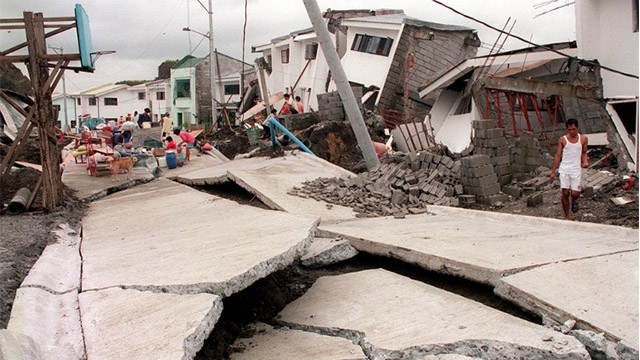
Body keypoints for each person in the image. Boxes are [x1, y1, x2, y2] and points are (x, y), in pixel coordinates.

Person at [550, 118, 588, 220]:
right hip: (564, 168)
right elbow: (558, 156)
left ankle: (574, 201)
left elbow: (584, 153)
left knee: (575, 193)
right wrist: (553, 172)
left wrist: (585, 162)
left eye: (573, 129)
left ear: (577, 128)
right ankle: (567, 216)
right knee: (565, 192)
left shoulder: (583, 139)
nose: (572, 132)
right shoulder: (562, 140)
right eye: (569, 129)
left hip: (575, 169)